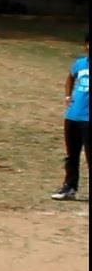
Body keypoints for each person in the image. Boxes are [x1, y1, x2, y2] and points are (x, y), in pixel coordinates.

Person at [51, 32, 90, 201]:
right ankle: (70, 187)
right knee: (71, 155)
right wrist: (68, 97)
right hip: (73, 117)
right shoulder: (80, 64)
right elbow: (69, 79)